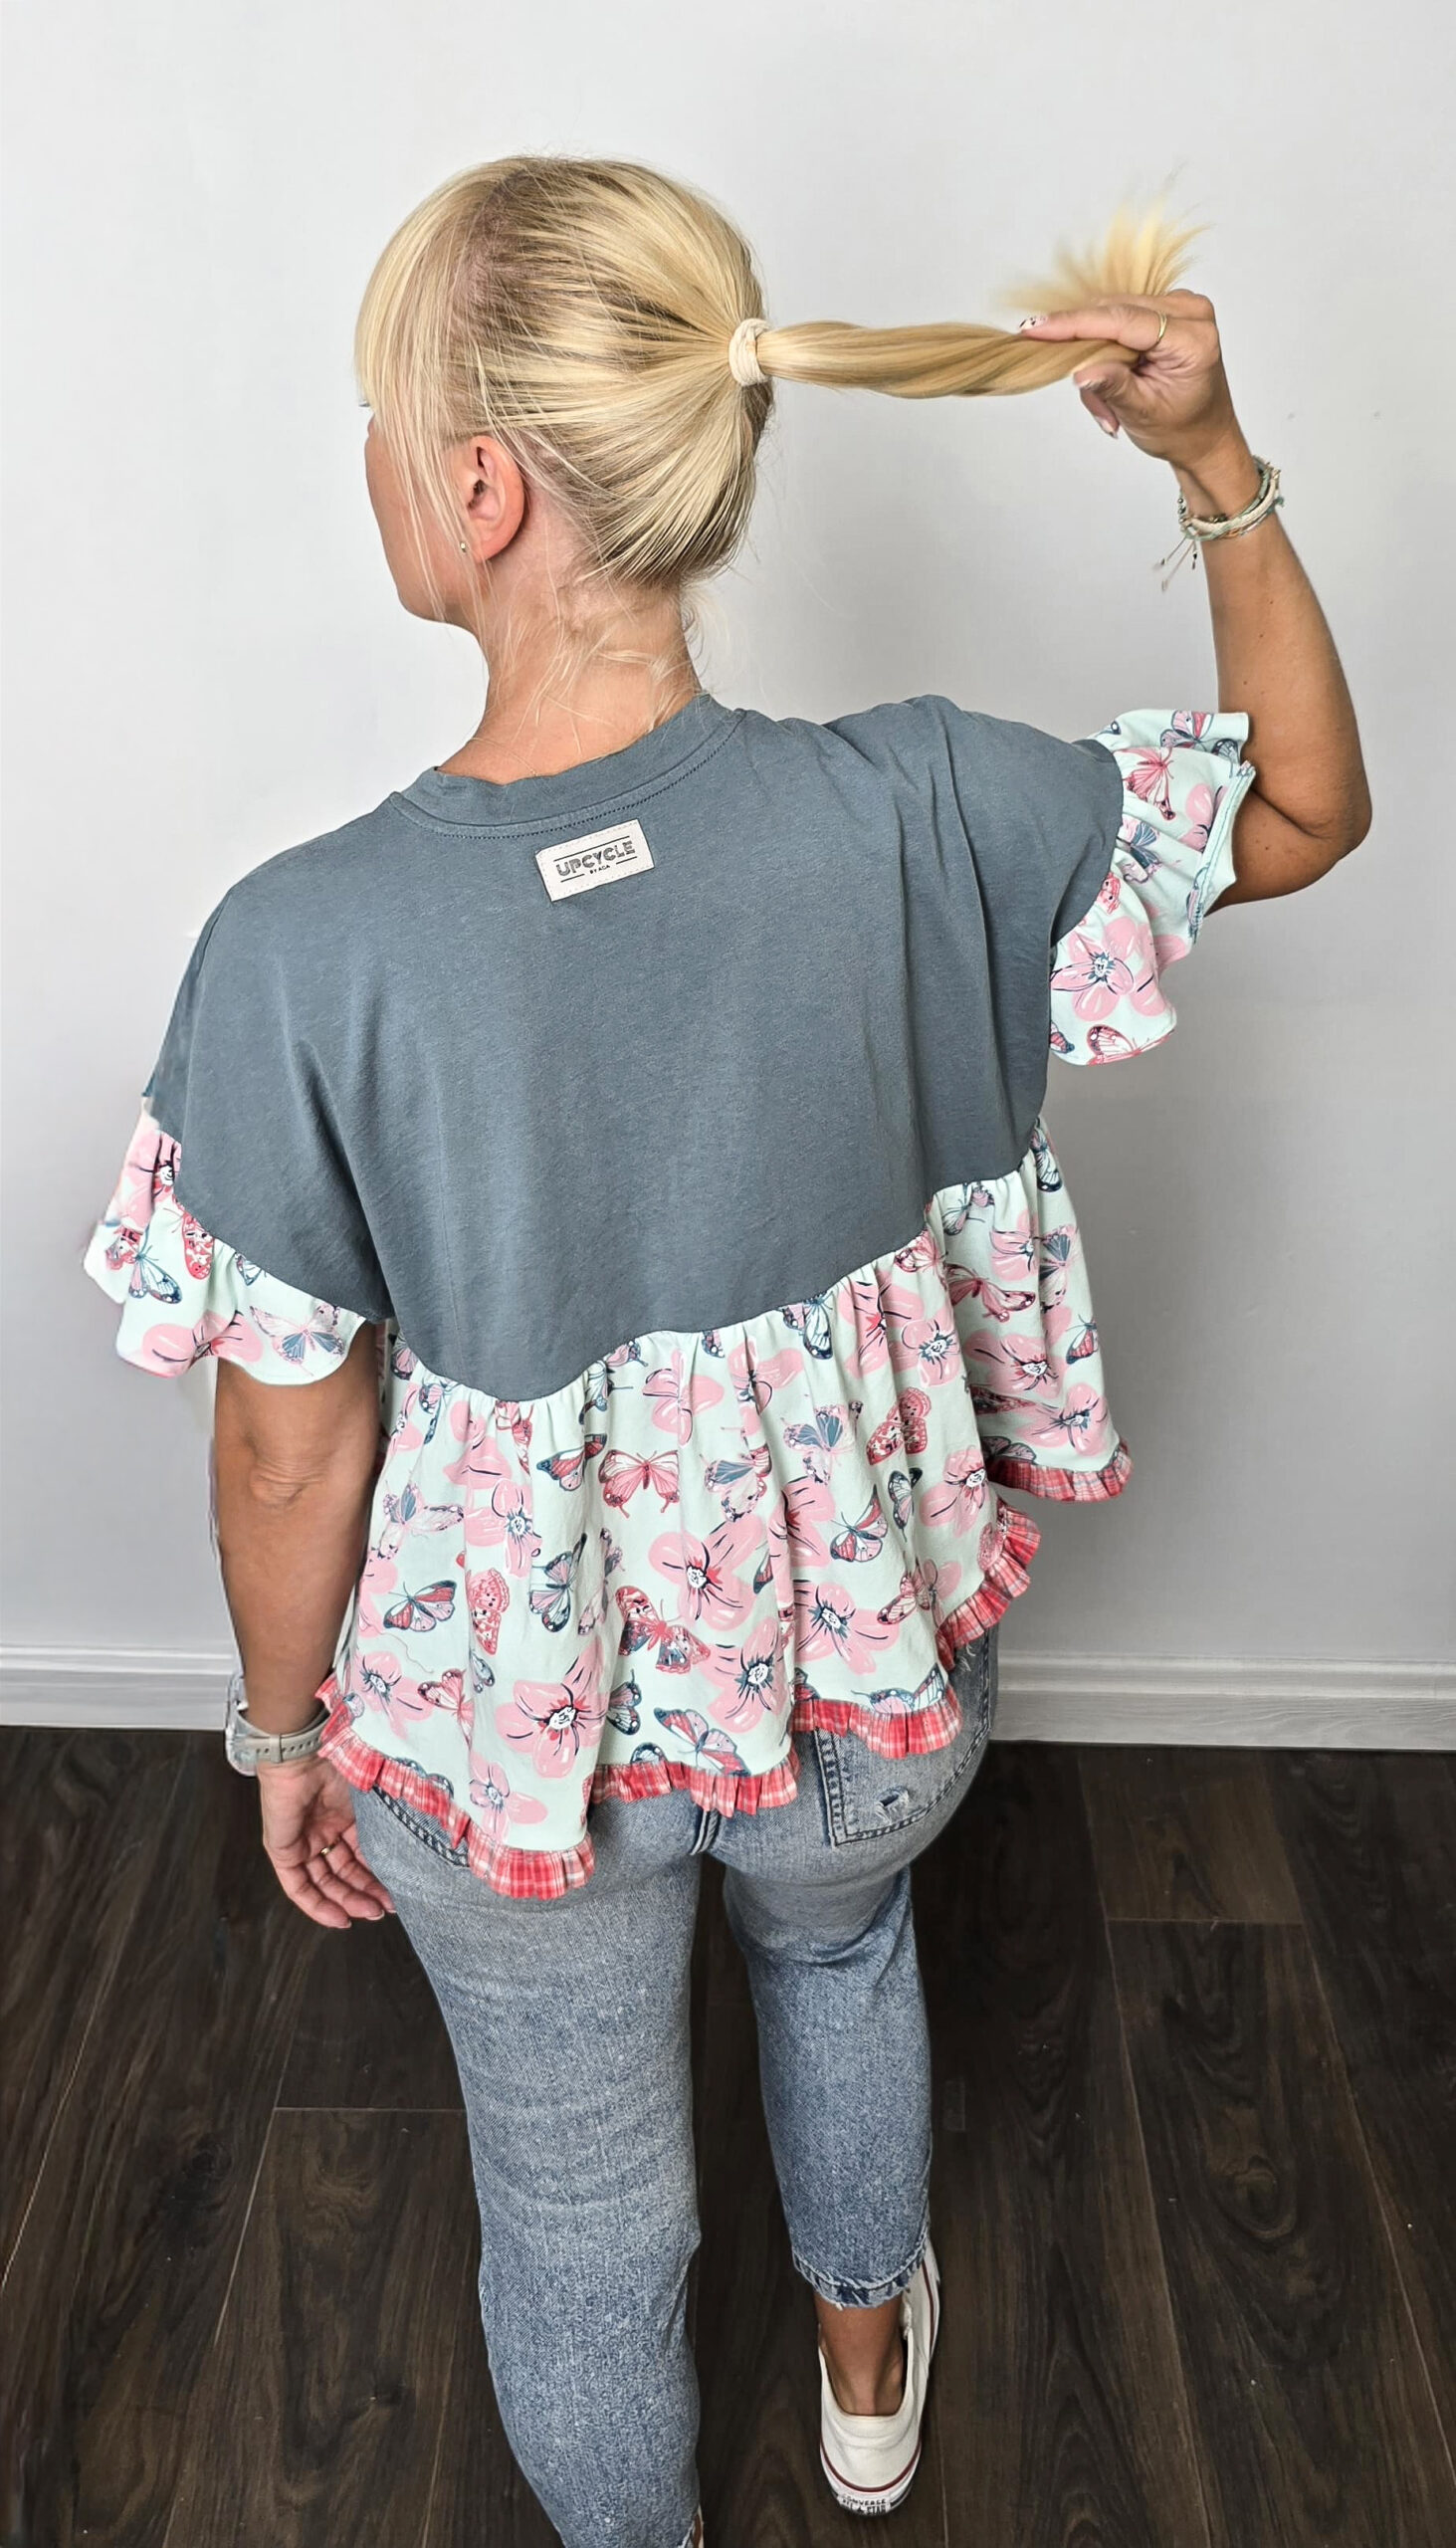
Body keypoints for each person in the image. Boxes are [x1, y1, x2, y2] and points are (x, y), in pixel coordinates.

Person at [82, 157, 1370, 2548]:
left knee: (583, 2225)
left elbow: (286, 1458)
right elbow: (1304, 800)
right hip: (862, 1680)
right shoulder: (926, 803)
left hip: (517, 1737)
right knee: (846, 1944)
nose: (368, 459)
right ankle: (868, 2377)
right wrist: (1213, 461)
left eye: (378, 417)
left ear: (481, 490)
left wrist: (281, 1735)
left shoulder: (302, 949)